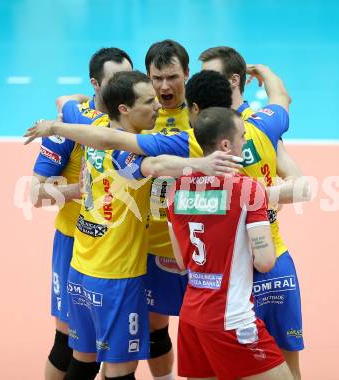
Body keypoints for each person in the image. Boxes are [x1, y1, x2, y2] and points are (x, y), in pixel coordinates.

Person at [59, 70, 241, 380]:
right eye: (148, 101)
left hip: (81, 266)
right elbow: (154, 165)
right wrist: (200, 164)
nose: (158, 105)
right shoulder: (124, 154)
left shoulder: (96, 130)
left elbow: (67, 104)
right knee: (120, 370)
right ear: (124, 109)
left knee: (83, 360)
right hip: (115, 273)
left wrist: (57, 117)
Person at [199, 46, 306, 379]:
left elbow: (300, 186)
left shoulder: (252, 129)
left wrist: (258, 197)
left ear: (233, 80)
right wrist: (267, 72)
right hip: (232, 269)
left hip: (264, 261)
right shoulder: (257, 125)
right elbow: (282, 98)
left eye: (211, 77)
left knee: (287, 365)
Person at [166, 106, 293, 380]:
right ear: (226, 144)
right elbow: (266, 260)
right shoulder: (247, 189)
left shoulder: (175, 190)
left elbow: (180, 260)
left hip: (191, 317)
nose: (245, 141)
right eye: (243, 136)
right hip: (231, 317)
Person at [31, 47, 132, 380]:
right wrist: (77, 191)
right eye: (116, 80)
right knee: (67, 346)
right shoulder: (70, 128)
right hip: (74, 245)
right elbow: (35, 193)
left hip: (118, 249)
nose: (126, 86)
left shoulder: (131, 121)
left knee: (115, 349)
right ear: (95, 84)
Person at [143, 40, 192, 380]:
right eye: (156, 78)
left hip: (200, 246)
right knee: (155, 329)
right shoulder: (142, 115)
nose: (164, 86)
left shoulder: (204, 114)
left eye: (172, 76)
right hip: (152, 244)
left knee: (204, 329)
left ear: (187, 74)